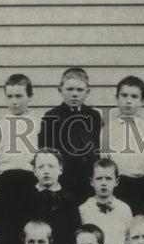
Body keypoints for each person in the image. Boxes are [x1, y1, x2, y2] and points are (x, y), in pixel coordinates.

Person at [38, 67, 102, 199]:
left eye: (79, 90)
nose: (75, 94)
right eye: (70, 89)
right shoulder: (52, 116)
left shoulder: (94, 116)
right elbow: (45, 150)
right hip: (63, 179)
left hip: (88, 179)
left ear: (87, 92)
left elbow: (99, 148)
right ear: (60, 90)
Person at [101, 75, 144, 208]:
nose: (128, 101)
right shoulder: (108, 129)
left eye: (134, 97)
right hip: (117, 186)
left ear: (142, 101)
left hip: (142, 186)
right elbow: (104, 160)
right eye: (124, 95)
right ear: (117, 98)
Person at [23, 149, 82, 244]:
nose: (46, 171)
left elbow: (74, 231)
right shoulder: (26, 198)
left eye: (51, 166)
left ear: (60, 169)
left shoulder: (69, 199)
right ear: (34, 171)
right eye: (41, 167)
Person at [0, 73, 42, 195]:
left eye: (19, 96)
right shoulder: (1, 125)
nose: (14, 101)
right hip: (5, 178)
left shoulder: (38, 124)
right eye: (10, 96)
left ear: (30, 96)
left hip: (31, 178)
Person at [79, 158, 133, 244]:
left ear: (116, 181)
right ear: (92, 181)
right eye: (99, 178)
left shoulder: (124, 209)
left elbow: (130, 238)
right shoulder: (84, 209)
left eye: (108, 178)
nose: (104, 183)